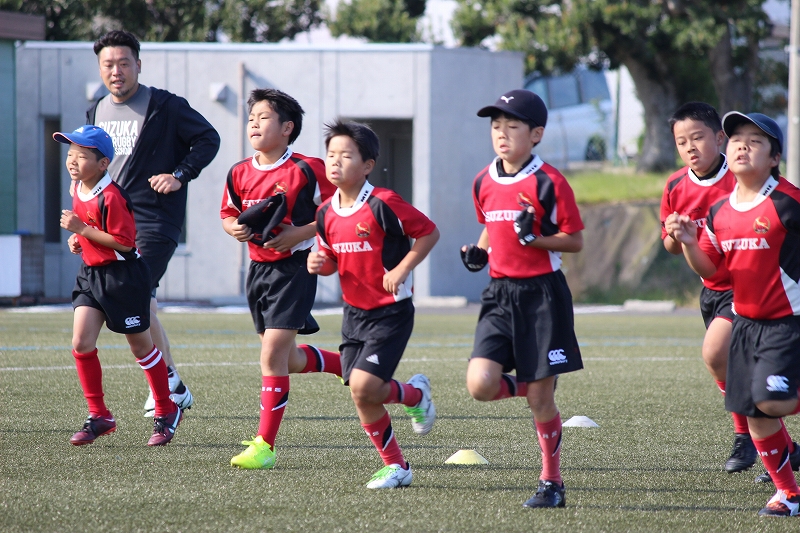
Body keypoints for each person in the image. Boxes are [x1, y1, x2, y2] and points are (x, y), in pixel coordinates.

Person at [669, 111, 800, 517]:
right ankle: (789, 494)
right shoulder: (721, 211)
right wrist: (689, 242)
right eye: (737, 139)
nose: (742, 146)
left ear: (774, 158)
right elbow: (711, 270)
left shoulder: (789, 202)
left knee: (771, 401)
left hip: (787, 322)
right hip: (745, 324)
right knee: (754, 414)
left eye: (755, 141)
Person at [87, 30, 221, 417]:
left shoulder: (166, 106)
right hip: (112, 223)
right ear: (100, 69)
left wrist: (180, 174)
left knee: (136, 294)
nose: (116, 71)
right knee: (143, 300)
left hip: (156, 220)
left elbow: (208, 139)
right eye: (108, 64)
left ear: (138, 65)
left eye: (124, 63)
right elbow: (90, 169)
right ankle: (172, 383)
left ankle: (166, 386)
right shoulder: (95, 112)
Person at [460, 90, 584, 508]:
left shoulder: (550, 181)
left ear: (536, 134)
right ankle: (534, 383)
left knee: (541, 401)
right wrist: (479, 253)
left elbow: (574, 240)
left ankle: (552, 483)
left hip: (542, 296)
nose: (501, 133)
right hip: (499, 295)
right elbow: (490, 227)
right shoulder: (483, 180)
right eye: (496, 126)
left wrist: (536, 239)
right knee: (480, 385)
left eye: (512, 126)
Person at [307, 119, 439, 489]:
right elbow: (331, 260)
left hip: (390, 312)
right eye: (331, 154)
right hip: (354, 314)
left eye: (346, 155)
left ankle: (399, 458)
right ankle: (412, 407)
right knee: (362, 393)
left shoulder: (384, 203)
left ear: (367, 165)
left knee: (364, 387)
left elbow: (429, 232)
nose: (335, 161)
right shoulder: (324, 212)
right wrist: (319, 263)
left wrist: (402, 268)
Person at [221, 89, 343, 470]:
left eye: (263, 117)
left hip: (296, 269)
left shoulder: (307, 169)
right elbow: (228, 213)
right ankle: (346, 364)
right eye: (251, 118)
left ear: (288, 128)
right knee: (287, 359)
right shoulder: (238, 171)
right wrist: (233, 228)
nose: (254, 124)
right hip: (258, 272)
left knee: (271, 356)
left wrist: (300, 234)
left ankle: (265, 446)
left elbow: (338, 209)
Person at [56, 125, 181, 447]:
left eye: (82, 156)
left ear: (103, 164)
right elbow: (92, 230)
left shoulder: (112, 196)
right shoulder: (78, 186)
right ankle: (99, 415)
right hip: (91, 275)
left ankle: (167, 409)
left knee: (141, 349)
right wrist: (79, 238)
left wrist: (82, 229)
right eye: (70, 154)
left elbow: (124, 243)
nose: (73, 161)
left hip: (124, 277)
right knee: (81, 342)